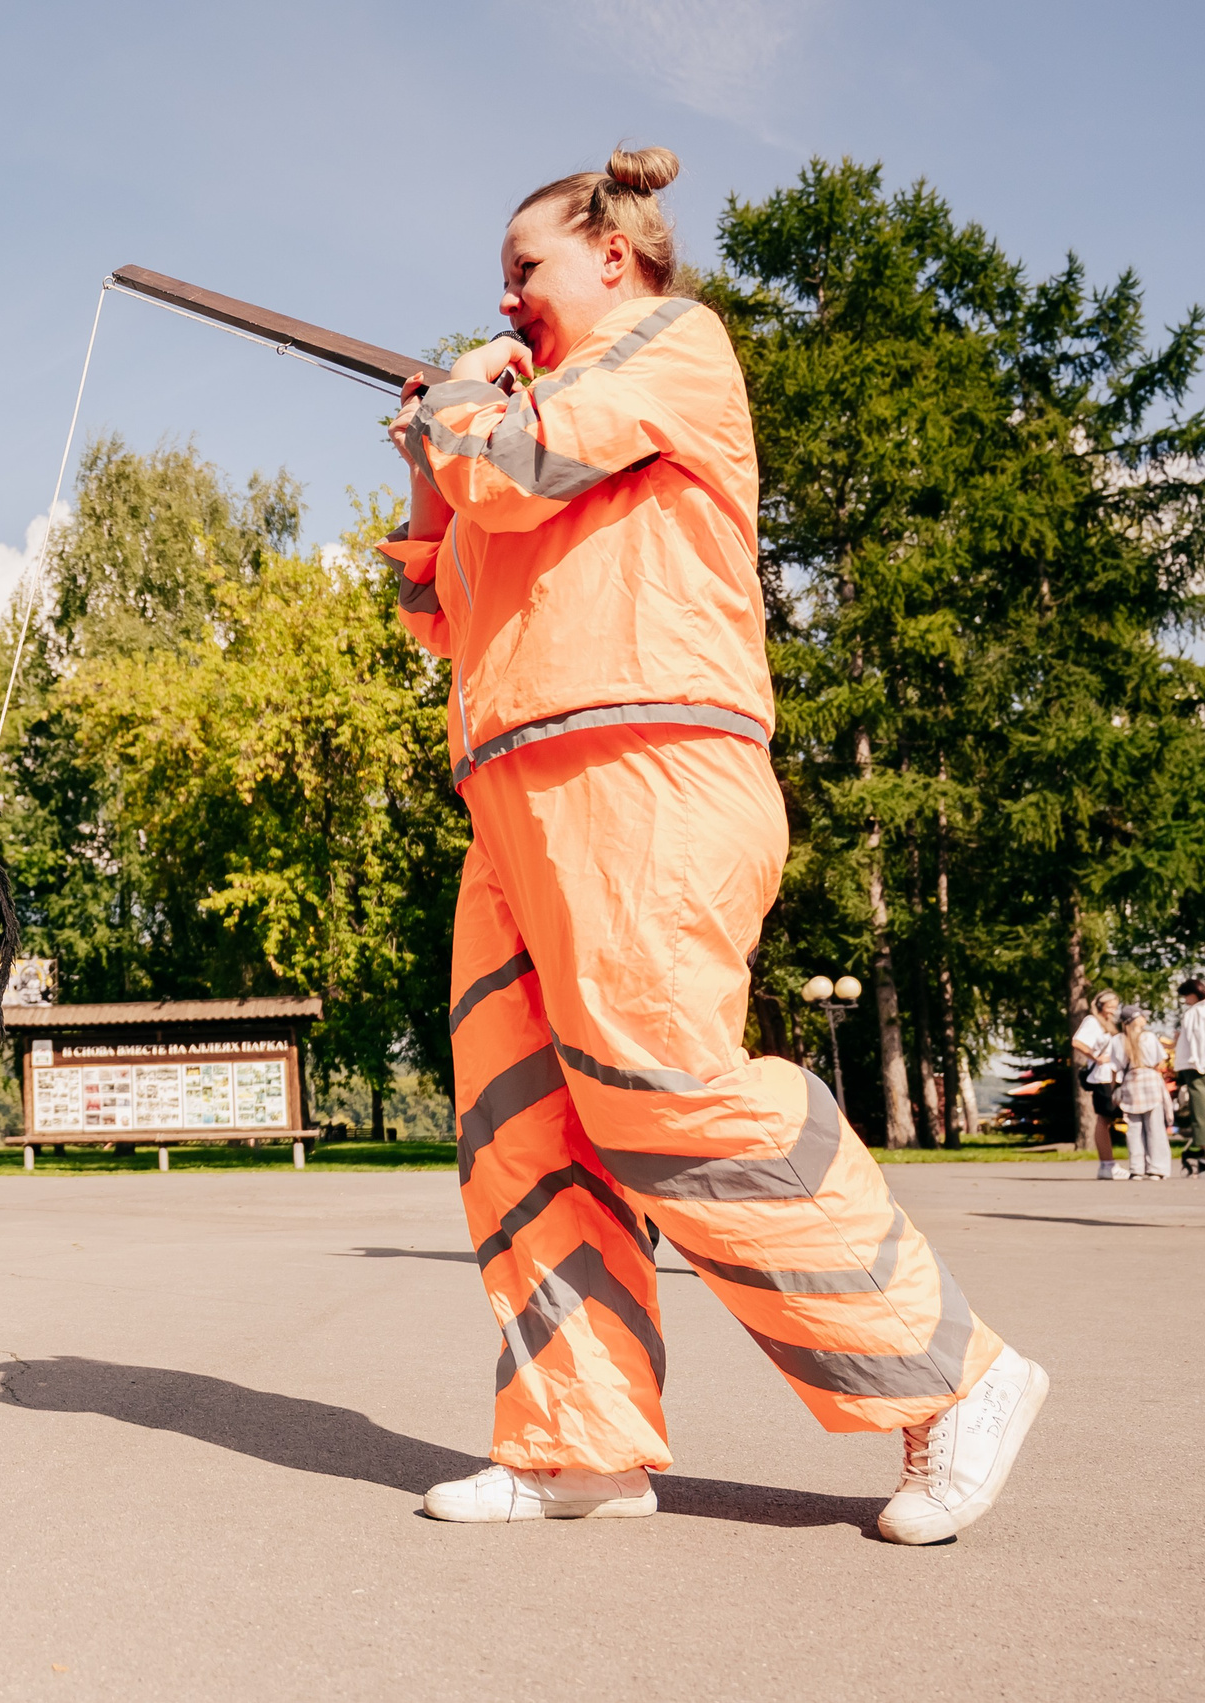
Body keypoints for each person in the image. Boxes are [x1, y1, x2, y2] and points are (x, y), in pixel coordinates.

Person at [382, 145, 1046, 1543]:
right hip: (509, 790)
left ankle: (957, 1378)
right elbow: (442, 602)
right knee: (522, 1131)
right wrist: (430, 474)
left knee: (661, 1088)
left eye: (527, 270)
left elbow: (523, 464)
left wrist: (462, 417)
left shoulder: (673, 346)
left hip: (648, 762)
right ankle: (580, 1441)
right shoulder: (515, 405)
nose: (507, 301)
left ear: (611, 255)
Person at [1110, 1008, 1172, 1182]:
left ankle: (1137, 1169)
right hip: (1150, 1080)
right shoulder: (1149, 1037)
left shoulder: (1117, 1040)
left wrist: (1114, 1089)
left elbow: (1115, 1068)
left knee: (1134, 1129)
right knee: (1155, 1127)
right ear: (1135, 1019)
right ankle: (1157, 1169)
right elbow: (1160, 1061)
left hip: (1131, 1082)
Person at [1072, 990, 1125, 1178]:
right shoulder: (1092, 1022)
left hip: (1113, 1075)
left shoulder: (1109, 1024)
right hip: (1102, 1075)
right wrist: (1095, 1057)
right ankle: (1106, 1164)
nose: (1113, 1010)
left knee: (1109, 1119)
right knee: (1103, 1118)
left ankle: (1108, 1163)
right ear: (1101, 1005)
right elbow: (1077, 1042)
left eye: (1115, 1006)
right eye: (1110, 1006)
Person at [1172, 978, 1204, 1163]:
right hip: (1197, 1063)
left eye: (1186, 995)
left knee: (1199, 1110)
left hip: (1194, 1065)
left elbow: (1198, 1038)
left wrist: (1199, 1062)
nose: (1185, 1000)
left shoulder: (1195, 1012)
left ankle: (1202, 1149)